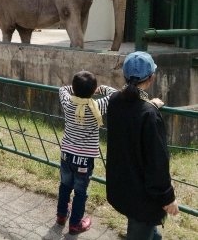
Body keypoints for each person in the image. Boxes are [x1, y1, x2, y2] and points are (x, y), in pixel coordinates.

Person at [106, 52, 178, 240]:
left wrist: (151, 105)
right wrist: (168, 197)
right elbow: (157, 161)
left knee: (149, 233)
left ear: (125, 76)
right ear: (151, 78)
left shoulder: (114, 102)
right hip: (143, 197)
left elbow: (131, 110)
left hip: (122, 186)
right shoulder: (149, 115)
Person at [56, 71, 117, 235]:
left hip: (66, 154)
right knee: (80, 192)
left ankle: (61, 216)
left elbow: (62, 89)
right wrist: (101, 89)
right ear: (93, 89)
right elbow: (115, 94)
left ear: (74, 89)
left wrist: (74, 88)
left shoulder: (68, 102)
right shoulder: (98, 106)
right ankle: (75, 224)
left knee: (65, 186)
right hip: (84, 160)